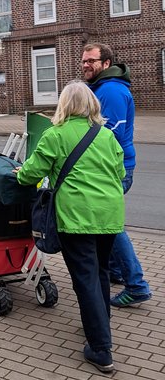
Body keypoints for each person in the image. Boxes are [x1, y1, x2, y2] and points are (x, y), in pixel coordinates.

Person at [15, 81, 125, 373]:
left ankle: (101, 349)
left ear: (64, 105)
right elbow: (121, 172)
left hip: (77, 217)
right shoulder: (107, 135)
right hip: (110, 214)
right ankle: (101, 323)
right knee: (100, 272)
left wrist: (20, 173)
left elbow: (30, 174)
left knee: (85, 279)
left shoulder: (55, 135)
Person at [82, 42, 152, 307]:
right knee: (107, 224)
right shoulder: (101, 87)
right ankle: (118, 272)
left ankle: (137, 285)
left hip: (113, 168)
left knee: (111, 225)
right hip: (110, 166)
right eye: (84, 60)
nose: (86, 65)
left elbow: (107, 136)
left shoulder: (110, 91)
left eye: (91, 61)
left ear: (106, 64)